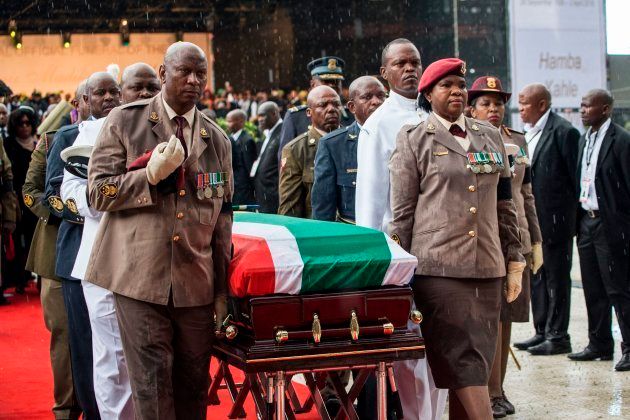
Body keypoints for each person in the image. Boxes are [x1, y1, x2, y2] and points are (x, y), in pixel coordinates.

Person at [85, 42, 232, 420]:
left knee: (193, 389)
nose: (194, 80)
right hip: (139, 280)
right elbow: (97, 193)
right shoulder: (125, 121)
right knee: (151, 389)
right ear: (163, 74)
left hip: (195, 286)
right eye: (185, 71)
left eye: (201, 73)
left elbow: (221, 224)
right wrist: (147, 178)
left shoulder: (217, 140)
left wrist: (221, 291)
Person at [389, 58, 524, 419]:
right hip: (440, 271)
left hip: (488, 267)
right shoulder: (414, 139)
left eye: (460, 86)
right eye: (446, 85)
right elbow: (401, 214)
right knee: (462, 362)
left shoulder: (490, 135)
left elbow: (504, 203)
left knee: (476, 366)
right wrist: (399, 277)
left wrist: (515, 257)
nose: (456, 91)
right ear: (428, 93)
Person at [60, 63, 159, 419]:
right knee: (113, 360)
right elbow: (70, 188)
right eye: (137, 88)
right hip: (104, 260)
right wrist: (112, 199)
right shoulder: (94, 131)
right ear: (124, 93)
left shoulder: (174, 130)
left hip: (157, 262)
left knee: (155, 359)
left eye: (153, 87)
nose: (145, 95)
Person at [355, 38, 447, 420]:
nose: (410, 69)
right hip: (405, 252)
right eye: (401, 63)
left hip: (447, 250)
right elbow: (372, 201)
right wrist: (376, 262)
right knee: (412, 350)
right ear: (385, 72)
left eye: (416, 62)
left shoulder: (440, 113)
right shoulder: (379, 124)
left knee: (443, 347)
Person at [45, 71, 121, 420]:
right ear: (84, 101)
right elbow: (53, 195)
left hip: (125, 258)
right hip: (79, 253)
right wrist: (98, 211)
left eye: (114, 92)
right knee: (87, 346)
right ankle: (92, 413)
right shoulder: (67, 137)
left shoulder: (132, 132)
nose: (108, 98)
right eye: (100, 93)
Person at [468, 75, 543, 417]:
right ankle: (483, 392)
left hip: (514, 241)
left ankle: (497, 392)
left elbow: (526, 194)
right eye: (485, 103)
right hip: (480, 240)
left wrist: (536, 240)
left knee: (506, 318)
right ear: (473, 108)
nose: (493, 109)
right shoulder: (464, 140)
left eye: (498, 103)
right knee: (482, 320)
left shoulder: (518, 140)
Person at [514, 83, 580, 356]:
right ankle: (541, 330)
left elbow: (574, 180)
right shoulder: (526, 135)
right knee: (538, 277)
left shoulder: (565, 132)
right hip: (533, 223)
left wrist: (571, 221)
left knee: (557, 279)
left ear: (542, 105)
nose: (521, 110)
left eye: (525, 104)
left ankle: (558, 335)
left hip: (556, 223)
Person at [567, 89, 630, 372]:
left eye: (587, 106)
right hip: (587, 222)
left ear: (605, 109)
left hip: (611, 224)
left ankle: (628, 348)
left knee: (619, 288)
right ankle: (599, 344)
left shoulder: (621, 140)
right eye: (580, 106)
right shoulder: (585, 139)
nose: (582, 110)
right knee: (593, 287)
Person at [23, 126, 80, 418]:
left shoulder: (123, 133)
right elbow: (30, 192)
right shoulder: (52, 140)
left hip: (107, 253)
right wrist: (65, 214)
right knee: (64, 334)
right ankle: (66, 409)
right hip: (57, 252)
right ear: (80, 103)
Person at [312, 76, 386, 223]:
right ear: (352, 107)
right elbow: (323, 209)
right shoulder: (333, 145)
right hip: (354, 236)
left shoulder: (403, 135)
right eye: (367, 97)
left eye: (381, 96)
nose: (376, 102)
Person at [278, 85, 340, 218]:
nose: (331, 109)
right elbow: (290, 207)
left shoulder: (356, 141)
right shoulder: (296, 150)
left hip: (354, 231)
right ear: (309, 112)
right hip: (317, 232)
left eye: (336, 104)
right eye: (323, 105)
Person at [277, 56, 354, 163]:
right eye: (326, 81)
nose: (332, 85)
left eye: (336, 81)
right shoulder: (296, 117)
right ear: (313, 84)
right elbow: (285, 160)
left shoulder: (352, 115)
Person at [4, 106, 40, 294]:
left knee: (38, 236)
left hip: (37, 200)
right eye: (20, 123)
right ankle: (20, 278)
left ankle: (40, 276)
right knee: (18, 240)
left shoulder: (40, 142)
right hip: (17, 200)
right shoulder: (8, 144)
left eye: (27, 123)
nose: (24, 127)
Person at [251, 101, 282, 213]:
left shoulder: (283, 132)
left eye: (263, 115)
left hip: (273, 195)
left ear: (274, 113)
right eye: (258, 116)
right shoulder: (269, 133)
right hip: (264, 194)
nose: (259, 119)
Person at [226, 109, 256, 205]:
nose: (227, 124)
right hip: (231, 184)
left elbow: (249, 167)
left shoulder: (247, 140)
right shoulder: (228, 138)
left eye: (230, 121)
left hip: (243, 187)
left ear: (241, 121)